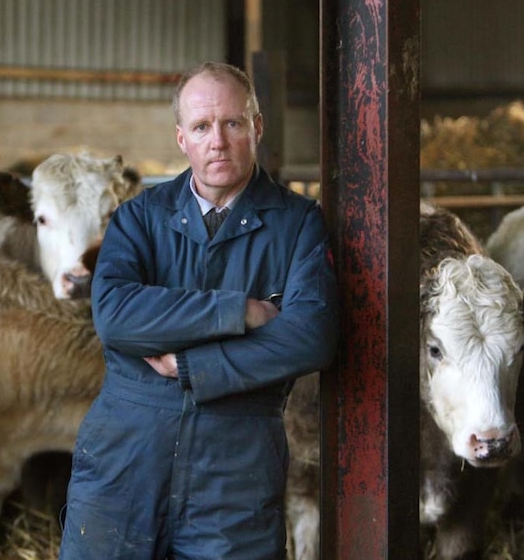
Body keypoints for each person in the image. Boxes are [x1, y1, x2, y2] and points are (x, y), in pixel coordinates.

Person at [58, 61, 340, 560]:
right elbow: (116, 317)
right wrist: (238, 311)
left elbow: (309, 335)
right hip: (124, 460)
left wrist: (192, 366)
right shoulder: (138, 218)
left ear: (256, 127)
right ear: (181, 138)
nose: (218, 141)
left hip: (235, 473)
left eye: (232, 123)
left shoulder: (298, 224)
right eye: (202, 127)